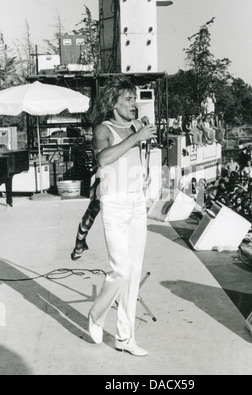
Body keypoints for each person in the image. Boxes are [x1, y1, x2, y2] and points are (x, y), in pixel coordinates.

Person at [88, 76, 157, 357]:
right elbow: (103, 159)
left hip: (136, 202)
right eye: (129, 99)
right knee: (120, 269)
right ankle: (96, 314)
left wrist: (145, 170)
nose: (134, 104)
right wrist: (135, 137)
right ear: (113, 103)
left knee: (134, 270)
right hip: (114, 203)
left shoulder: (138, 126)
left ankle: (125, 337)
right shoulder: (103, 128)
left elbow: (141, 157)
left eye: (135, 99)